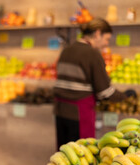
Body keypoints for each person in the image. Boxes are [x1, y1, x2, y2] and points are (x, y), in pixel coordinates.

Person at [53, 18, 131, 149]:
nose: (106, 44)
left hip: (60, 111)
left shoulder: (66, 50)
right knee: (81, 156)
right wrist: (125, 96)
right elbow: (104, 92)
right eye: (106, 39)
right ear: (97, 34)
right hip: (79, 113)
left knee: (64, 156)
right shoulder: (92, 54)